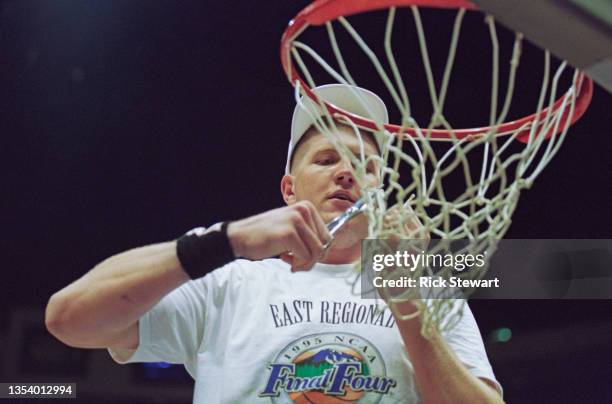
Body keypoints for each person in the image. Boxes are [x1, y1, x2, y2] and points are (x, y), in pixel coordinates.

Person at [45, 84, 504, 403]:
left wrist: (407, 302)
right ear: (289, 190)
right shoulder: (230, 278)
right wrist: (227, 240)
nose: (346, 173)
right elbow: (69, 319)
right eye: (327, 159)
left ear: (382, 194)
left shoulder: (427, 294)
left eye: (366, 167)